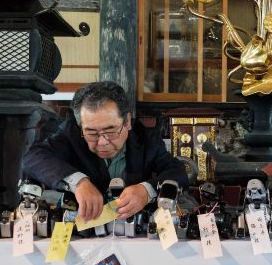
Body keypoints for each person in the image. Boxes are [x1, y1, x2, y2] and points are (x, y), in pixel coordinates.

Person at [22, 81, 189, 221]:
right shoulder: (71, 134)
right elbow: (31, 157)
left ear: (127, 122)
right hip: (82, 230)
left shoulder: (146, 139)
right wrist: (79, 183)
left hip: (134, 231)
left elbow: (178, 172)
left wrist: (146, 190)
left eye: (110, 131)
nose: (102, 142)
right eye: (91, 133)